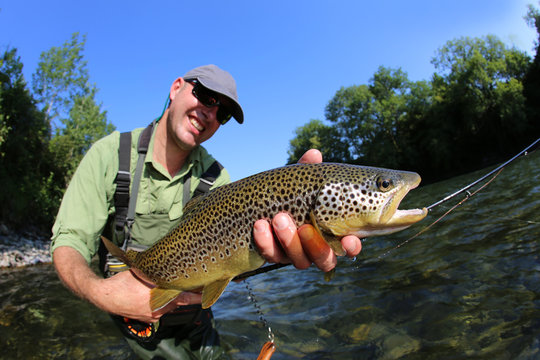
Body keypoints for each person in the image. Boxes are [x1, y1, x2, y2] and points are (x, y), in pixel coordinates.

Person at [51, 64, 362, 359]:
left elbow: (235, 263)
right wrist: (100, 293)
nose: (211, 112)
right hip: (128, 318)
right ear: (176, 88)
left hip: (195, 318)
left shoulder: (218, 180)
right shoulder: (109, 157)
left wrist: (289, 220)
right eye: (206, 96)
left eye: (222, 112)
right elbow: (69, 243)